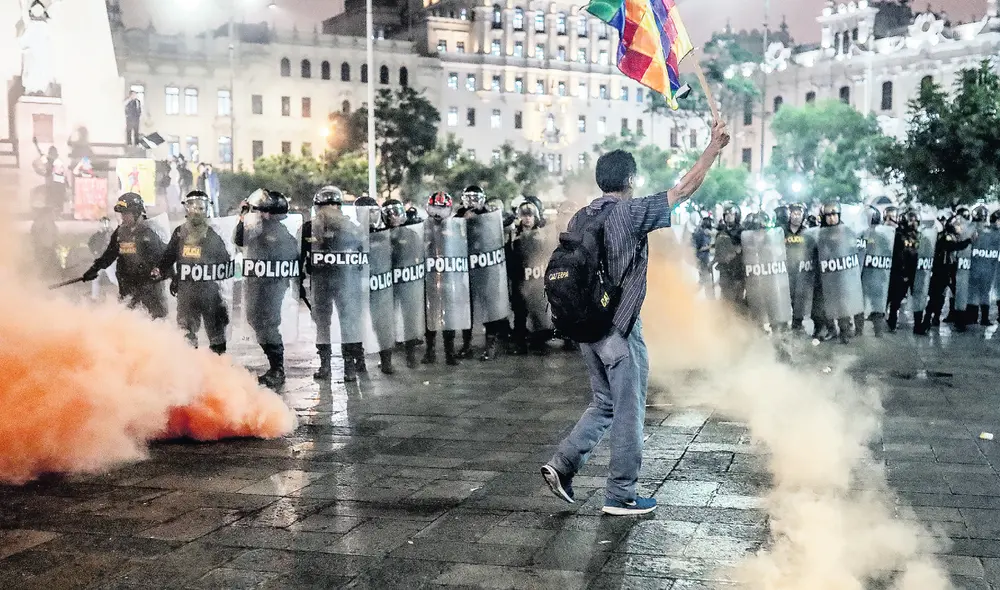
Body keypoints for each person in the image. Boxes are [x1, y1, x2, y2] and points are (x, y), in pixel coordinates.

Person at [541, 119, 731, 516]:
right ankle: (621, 494)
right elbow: (683, 190)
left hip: (584, 327)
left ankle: (562, 465)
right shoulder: (630, 212)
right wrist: (713, 147)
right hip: (618, 330)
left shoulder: (581, 217)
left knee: (604, 403)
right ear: (631, 179)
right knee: (629, 408)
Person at [235, 189, 299, 389]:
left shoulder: (279, 232)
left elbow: (290, 256)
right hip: (257, 283)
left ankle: (277, 368)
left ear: (268, 212)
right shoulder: (257, 228)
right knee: (255, 320)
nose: (258, 213)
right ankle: (274, 365)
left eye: (260, 210)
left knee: (268, 324)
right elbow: (239, 239)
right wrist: (243, 217)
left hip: (272, 286)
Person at [153, 191, 231, 354]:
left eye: (200, 208)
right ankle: (190, 369)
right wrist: (161, 269)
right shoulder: (180, 233)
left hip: (210, 292)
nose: (196, 212)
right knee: (186, 334)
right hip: (187, 292)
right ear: (186, 209)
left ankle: (218, 370)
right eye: (192, 207)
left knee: (216, 333)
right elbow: (169, 255)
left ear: (206, 209)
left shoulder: (213, 234)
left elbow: (225, 261)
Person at [302, 186, 366, 382]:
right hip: (321, 282)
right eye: (325, 207)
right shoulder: (309, 228)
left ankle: (349, 365)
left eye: (332, 206)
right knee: (322, 323)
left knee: (347, 323)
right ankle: (326, 365)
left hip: (344, 282)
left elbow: (362, 255)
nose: (328, 211)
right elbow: (300, 254)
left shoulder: (352, 228)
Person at [82, 193, 167, 318]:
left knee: (153, 326)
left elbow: (165, 261)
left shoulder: (151, 232)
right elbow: (109, 255)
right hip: (127, 288)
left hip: (149, 291)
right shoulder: (120, 232)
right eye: (122, 214)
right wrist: (94, 269)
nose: (123, 217)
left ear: (137, 212)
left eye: (126, 213)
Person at [454, 185, 509, 361]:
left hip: (486, 269)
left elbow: (505, 221)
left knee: (489, 306)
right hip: (466, 270)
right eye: (468, 198)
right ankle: (467, 344)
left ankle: (490, 345)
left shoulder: (489, 214)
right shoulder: (458, 215)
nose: (472, 203)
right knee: (466, 308)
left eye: (476, 198)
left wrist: (481, 218)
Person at [887, 209, 921, 333]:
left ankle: (918, 324)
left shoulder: (918, 236)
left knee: (918, 298)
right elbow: (899, 254)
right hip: (901, 272)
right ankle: (892, 322)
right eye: (911, 221)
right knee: (896, 299)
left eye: (916, 221)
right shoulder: (899, 235)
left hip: (915, 272)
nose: (914, 223)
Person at [782, 203, 809, 332]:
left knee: (799, 298)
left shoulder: (806, 232)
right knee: (784, 297)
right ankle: (782, 322)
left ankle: (797, 322)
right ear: (789, 215)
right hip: (785, 270)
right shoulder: (781, 231)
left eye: (799, 214)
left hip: (801, 271)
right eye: (794, 214)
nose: (796, 217)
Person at [715, 202, 744, 310]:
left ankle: (738, 322)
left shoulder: (742, 232)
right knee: (725, 298)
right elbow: (718, 250)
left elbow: (744, 249)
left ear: (736, 215)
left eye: (731, 214)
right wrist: (713, 262)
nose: (728, 216)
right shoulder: (721, 232)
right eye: (726, 214)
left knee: (737, 299)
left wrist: (736, 251)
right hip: (724, 271)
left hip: (738, 270)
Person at [691, 214, 714, 299]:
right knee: (706, 280)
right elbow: (699, 248)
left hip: (703, 259)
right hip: (703, 260)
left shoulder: (700, 232)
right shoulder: (701, 233)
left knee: (704, 280)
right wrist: (710, 246)